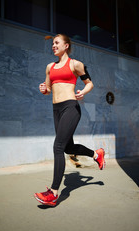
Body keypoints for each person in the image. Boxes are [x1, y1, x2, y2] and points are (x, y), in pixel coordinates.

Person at [34, 34, 105, 206]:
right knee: (67, 148)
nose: (53, 45)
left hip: (71, 108)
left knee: (57, 146)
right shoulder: (49, 67)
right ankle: (97, 154)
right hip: (56, 109)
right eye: (52, 43)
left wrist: (83, 92)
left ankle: (53, 193)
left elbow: (90, 83)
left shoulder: (75, 64)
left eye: (57, 43)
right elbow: (48, 89)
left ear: (66, 46)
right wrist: (43, 88)